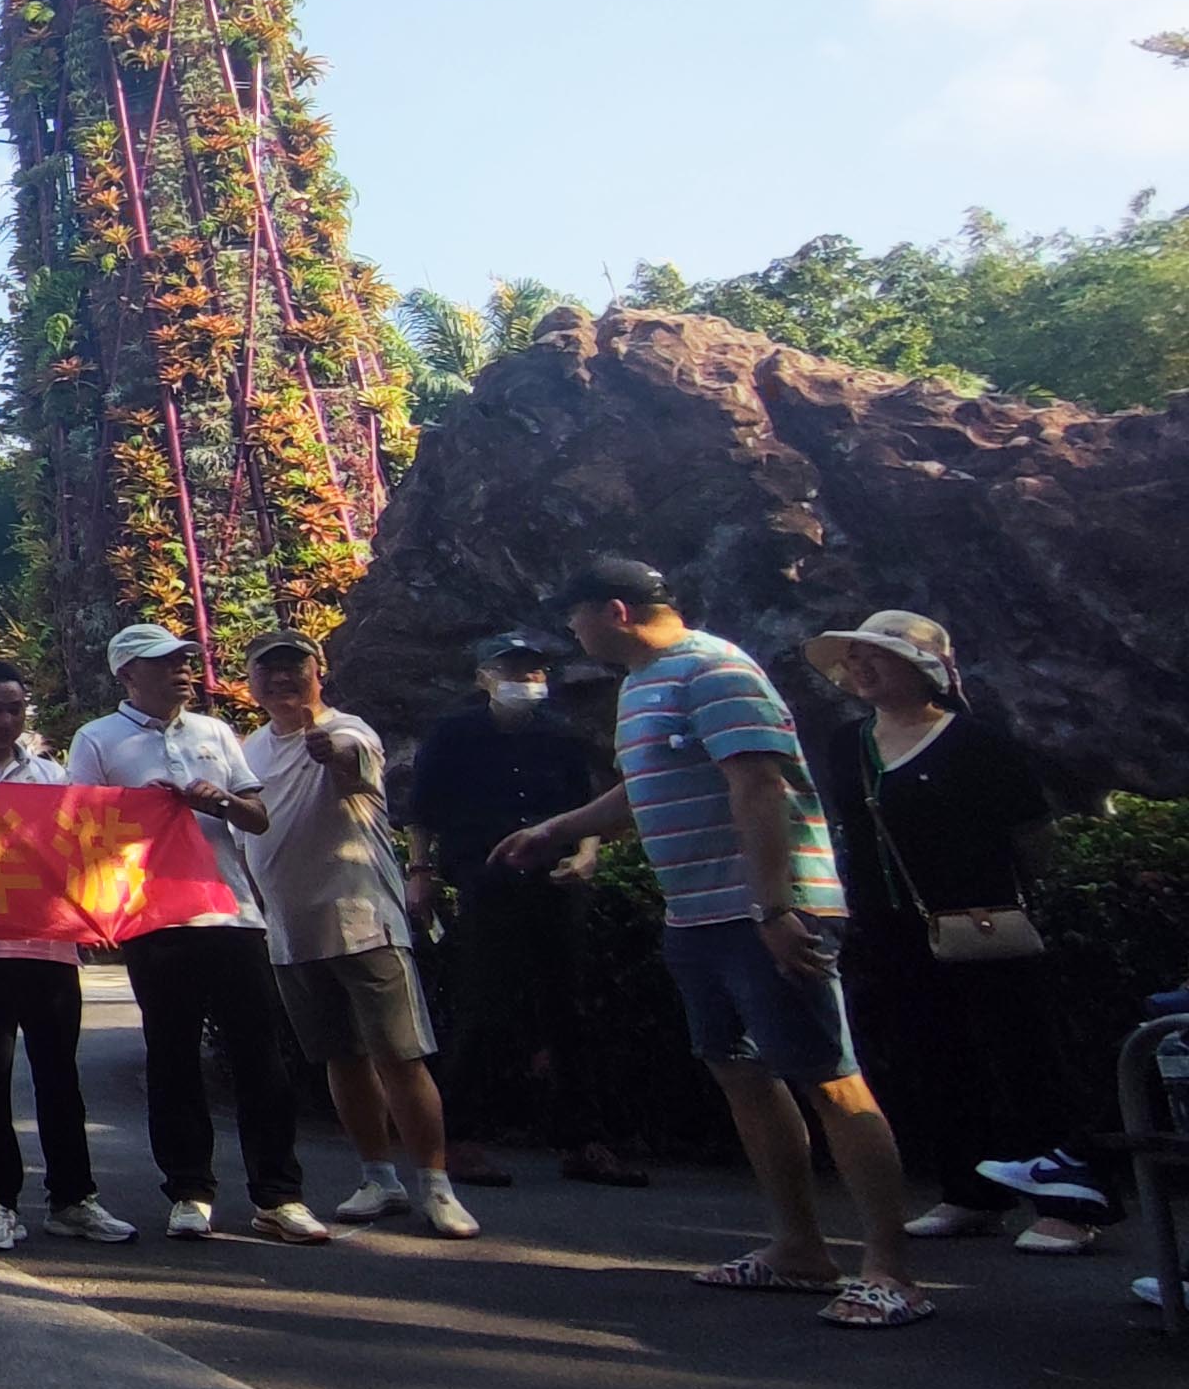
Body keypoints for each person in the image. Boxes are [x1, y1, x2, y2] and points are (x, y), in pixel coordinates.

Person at [494, 558, 930, 1328]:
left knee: (829, 1077)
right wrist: (559, 828)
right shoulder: (643, 686)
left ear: (616, 610)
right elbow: (649, 786)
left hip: (763, 910)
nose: (572, 633)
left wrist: (774, 906)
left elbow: (757, 782)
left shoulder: (715, 668)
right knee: (741, 1072)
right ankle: (799, 1249)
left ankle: (891, 1270)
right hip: (696, 913)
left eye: (576, 617)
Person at [805, 610, 1094, 1254]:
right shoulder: (848, 742)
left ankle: (1071, 1199)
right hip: (890, 925)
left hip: (980, 922)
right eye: (855, 657)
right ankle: (970, 1191)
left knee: (1022, 1055)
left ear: (924, 669)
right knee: (930, 1055)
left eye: (878, 655)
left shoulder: (979, 744)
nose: (862, 667)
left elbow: (1032, 837)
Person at [243, 636, 478, 1240]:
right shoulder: (248, 749)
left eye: (295, 666)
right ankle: (379, 1177)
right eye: (267, 669)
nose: (281, 679)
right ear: (249, 681)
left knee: (400, 1055)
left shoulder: (348, 730)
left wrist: (330, 751)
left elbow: (351, 768)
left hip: (363, 921)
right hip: (290, 931)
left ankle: (436, 1185)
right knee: (339, 1059)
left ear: (319, 673)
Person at [69, 622, 291, 1242]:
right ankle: (190, 1190)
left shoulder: (216, 732)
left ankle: (278, 1194)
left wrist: (216, 801)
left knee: (260, 1057)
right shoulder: (97, 739)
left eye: (185, 661)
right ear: (127, 675)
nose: (182, 671)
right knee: (172, 1059)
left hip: (232, 911)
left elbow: (258, 816)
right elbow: (82, 831)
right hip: (155, 919)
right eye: (164, 663)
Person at [403, 632, 642, 1188]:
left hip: (554, 882)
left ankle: (585, 1139)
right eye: (512, 669)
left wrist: (585, 858)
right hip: (484, 880)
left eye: (534, 671)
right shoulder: (455, 733)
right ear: (482, 677)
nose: (526, 681)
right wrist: (422, 873)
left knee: (570, 1009)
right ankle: (461, 1138)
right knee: (484, 1006)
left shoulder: (559, 736)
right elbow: (423, 810)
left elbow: (588, 809)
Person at [0, 660, 137, 1250]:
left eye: (15, 708)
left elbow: (75, 850)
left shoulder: (50, 774)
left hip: (49, 945)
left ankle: (73, 1198)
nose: (5, 719)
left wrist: (96, 915)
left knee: (59, 1076)